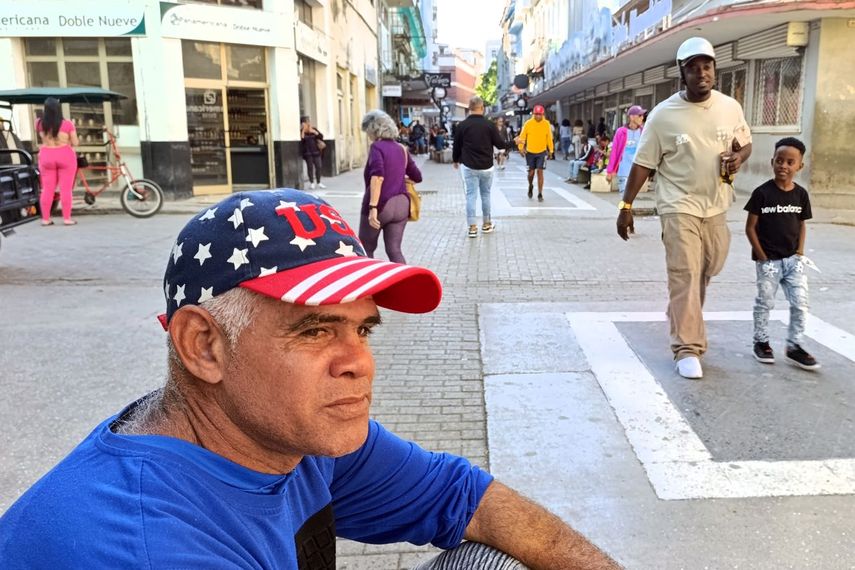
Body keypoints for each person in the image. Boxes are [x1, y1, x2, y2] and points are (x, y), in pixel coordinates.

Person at [0, 188, 621, 570]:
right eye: (316, 331)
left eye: (364, 331)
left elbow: (463, 498)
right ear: (203, 346)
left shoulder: (285, 437)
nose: (360, 362)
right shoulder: (145, 546)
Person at [615, 36, 753, 380]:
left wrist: (738, 157)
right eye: (693, 68)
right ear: (682, 74)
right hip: (678, 205)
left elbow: (745, 143)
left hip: (717, 204)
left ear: (714, 72)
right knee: (686, 274)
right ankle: (687, 347)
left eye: (707, 66)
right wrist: (626, 205)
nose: (701, 73)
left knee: (708, 268)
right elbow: (643, 164)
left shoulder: (729, 107)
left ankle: (680, 312)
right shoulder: (662, 116)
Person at [744, 137, 819, 370]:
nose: (783, 166)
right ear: (772, 162)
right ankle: (761, 342)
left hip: (792, 261)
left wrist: (799, 253)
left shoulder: (801, 195)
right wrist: (763, 257)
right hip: (769, 262)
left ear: (799, 166)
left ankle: (794, 345)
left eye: (790, 162)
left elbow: (802, 224)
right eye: (779, 160)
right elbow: (750, 228)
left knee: (800, 303)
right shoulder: (762, 193)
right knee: (765, 302)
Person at [359, 109, 421, 263]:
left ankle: (371, 285)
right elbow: (417, 176)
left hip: (381, 205)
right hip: (401, 204)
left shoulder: (377, 147)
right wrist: (398, 176)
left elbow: (377, 177)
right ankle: (405, 285)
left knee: (366, 248)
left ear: (373, 129)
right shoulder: (402, 149)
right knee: (394, 250)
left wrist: (373, 207)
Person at [452, 96, 516, 238]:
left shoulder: (462, 126)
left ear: (469, 108)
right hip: (486, 166)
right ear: (482, 108)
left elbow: (456, 146)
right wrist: (513, 142)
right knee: (485, 195)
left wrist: (455, 160)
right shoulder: (489, 125)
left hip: (468, 166)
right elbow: (500, 145)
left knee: (471, 196)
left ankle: (472, 228)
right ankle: (487, 224)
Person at [36, 97, 79, 226]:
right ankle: (66, 219)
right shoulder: (67, 124)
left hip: (46, 156)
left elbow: (41, 136)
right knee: (66, 189)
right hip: (65, 155)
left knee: (47, 189)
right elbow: (75, 142)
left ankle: (45, 219)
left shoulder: (38, 123)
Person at [516, 104, 554, 202]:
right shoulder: (528, 123)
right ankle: (530, 185)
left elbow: (549, 138)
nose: (538, 116)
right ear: (533, 114)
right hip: (530, 152)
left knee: (540, 172)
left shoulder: (546, 124)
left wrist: (551, 150)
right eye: (536, 114)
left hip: (541, 152)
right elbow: (522, 136)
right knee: (531, 173)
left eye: (540, 114)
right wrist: (521, 148)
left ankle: (540, 193)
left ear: (542, 114)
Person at [606, 105, 646, 194]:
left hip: (637, 172)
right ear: (631, 117)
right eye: (639, 115)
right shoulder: (621, 132)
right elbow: (615, 152)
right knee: (624, 198)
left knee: (630, 199)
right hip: (624, 170)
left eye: (643, 115)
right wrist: (610, 171)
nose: (642, 118)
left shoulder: (643, 131)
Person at [300, 116, 326, 190]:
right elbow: (302, 140)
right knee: (310, 168)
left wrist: (315, 132)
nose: (308, 123)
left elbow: (321, 137)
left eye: (308, 122)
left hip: (316, 152)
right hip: (308, 153)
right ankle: (312, 183)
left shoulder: (313, 129)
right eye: (306, 122)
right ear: (302, 123)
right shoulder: (301, 131)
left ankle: (319, 182)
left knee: (319, 166)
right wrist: (303, 131)